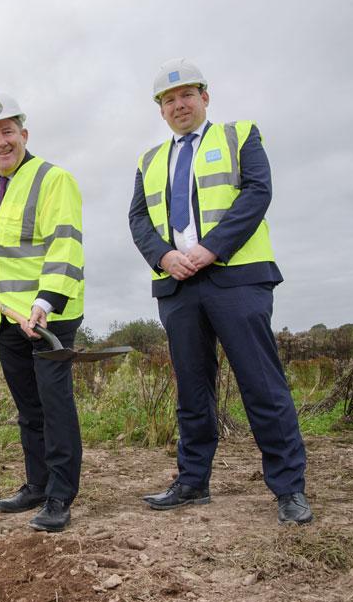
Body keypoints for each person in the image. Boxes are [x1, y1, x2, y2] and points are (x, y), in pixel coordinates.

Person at [128, 59, 312, 524]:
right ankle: (192, 482)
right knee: (192, 391)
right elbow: (138, 220)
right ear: (161, 111)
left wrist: (210, 249)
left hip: (237, 278)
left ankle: (289, 489)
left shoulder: (239, 134)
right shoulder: (149, 161)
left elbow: (257, 192)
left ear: (205, 98)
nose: (179, 105)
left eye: (187, 95)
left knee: (261, 385)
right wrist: (165, 257)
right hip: (178, 286)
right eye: (169, 100)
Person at [0, 91, 85, 533]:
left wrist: (44, 305)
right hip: (7, 314)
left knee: (54, 403)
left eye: (8, 132)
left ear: (24, 134)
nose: (1, 142)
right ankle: (37, 484)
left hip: (51, 314)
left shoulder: (54, 180)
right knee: (28, 407)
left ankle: (61, 495)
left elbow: (65, 247)